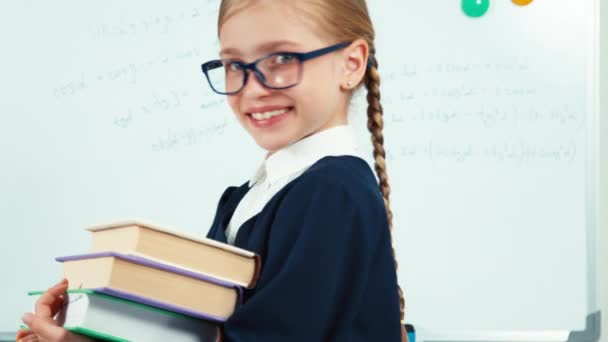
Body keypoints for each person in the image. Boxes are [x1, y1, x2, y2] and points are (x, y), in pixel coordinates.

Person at [18, 1, 407, 341]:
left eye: (283, 59)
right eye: (234, 65)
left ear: (351, 64)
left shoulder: (332, 194)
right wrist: (87, 327)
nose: (252, 89)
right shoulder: (250, 196)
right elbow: (205, 328)